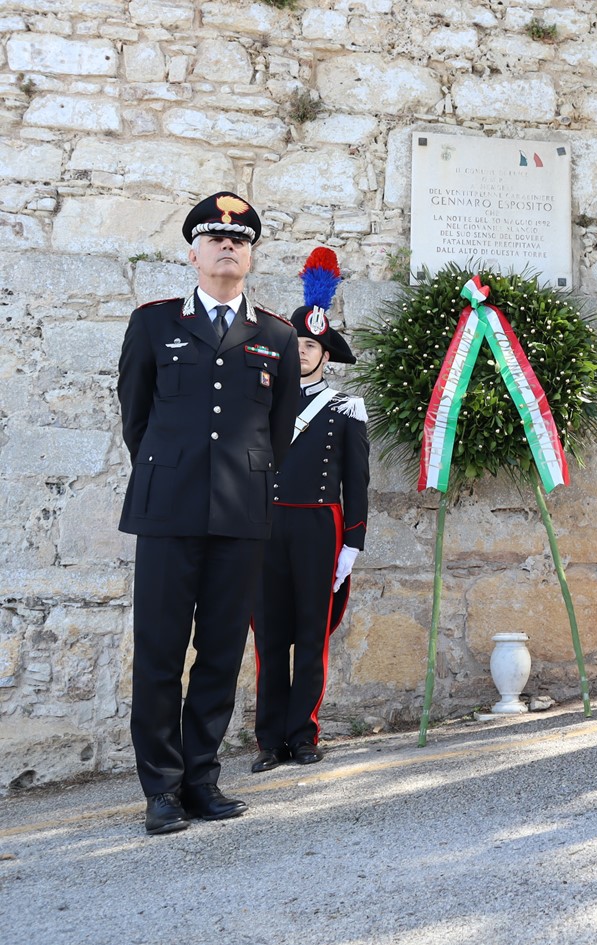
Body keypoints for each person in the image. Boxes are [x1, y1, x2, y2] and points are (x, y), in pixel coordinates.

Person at [117, 191, 300, 833]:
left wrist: (234, 483)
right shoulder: (153, 323)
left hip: (241, 515)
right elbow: (136, 420)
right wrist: (177, 473)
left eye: (240, 240)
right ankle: (161, 789)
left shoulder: (276, 335)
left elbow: (279, 433)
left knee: (221, 652)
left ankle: (202, 779)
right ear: (194, 251)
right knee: (162, 651)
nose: (229, 246)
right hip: (167, 511)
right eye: (216, 238)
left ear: (250, 255)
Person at [251, 248, 369, 772]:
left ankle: (303, 735)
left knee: (310, 635)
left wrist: (353, 543)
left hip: (321, 526)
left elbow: (357, 480)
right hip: (266, 525)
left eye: (311, 345)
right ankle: (268, 741)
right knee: (269, 637)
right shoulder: (263, 401)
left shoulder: (346, 407)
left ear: (326, 355)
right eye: (294, 344)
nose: (301, 352)